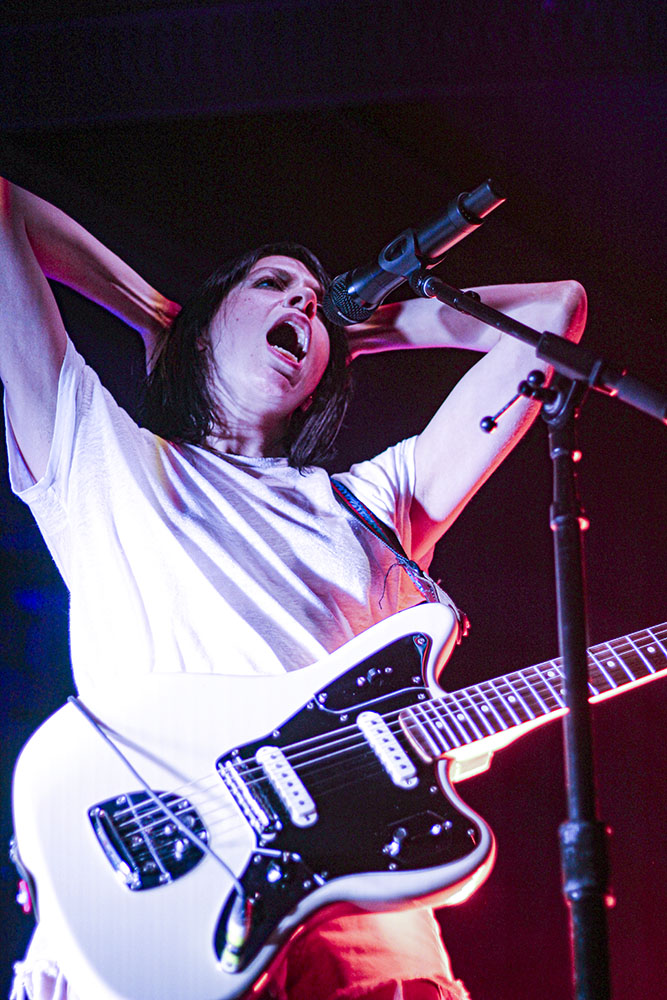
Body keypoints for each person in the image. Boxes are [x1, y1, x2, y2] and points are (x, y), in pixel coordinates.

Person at [1, 177, 586, 1000]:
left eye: (314, 301)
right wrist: (162, 315)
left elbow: (553, 316)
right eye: (271, 286)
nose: (304, 307)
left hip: (368, 939)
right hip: (159, 919)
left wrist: (352, 328)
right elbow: (5, 212)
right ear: (203, 328)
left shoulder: (371, 502)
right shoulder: (102, 458)